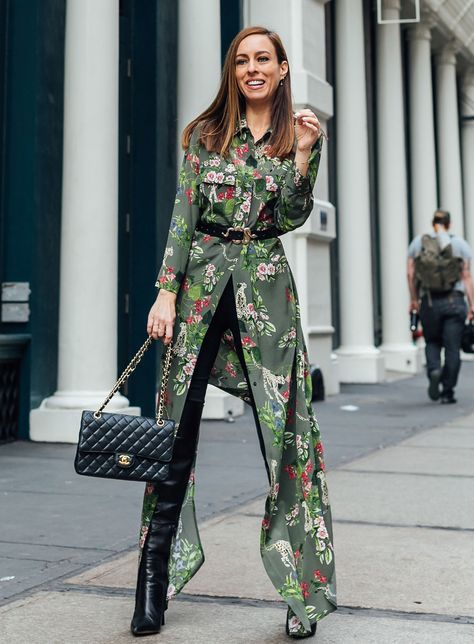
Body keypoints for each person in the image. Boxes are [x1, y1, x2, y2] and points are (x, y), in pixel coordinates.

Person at [131, 26, 336, 639]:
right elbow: (183, 214)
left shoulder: (293, 136)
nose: (252, 69)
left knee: (288, 438)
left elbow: (295, 214)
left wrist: (302, 154)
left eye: (263, 60)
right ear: (233, 70)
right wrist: (166, 291)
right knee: (175, 435)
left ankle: (301, 595)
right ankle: (151, 583)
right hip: (198, 293)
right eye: (243, 60)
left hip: (266, 294)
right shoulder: (204, 135)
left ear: (280, 68)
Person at [407, 210, 474, 403]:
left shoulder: (419, 243)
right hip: (455, 301)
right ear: (449, 224)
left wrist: (413, 299)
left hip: (429, 302)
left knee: (432, 342)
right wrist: (472, 305)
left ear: (433, 223)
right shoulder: (459, 244)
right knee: (453, 348)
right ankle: (447, 392)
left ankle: (434, 370)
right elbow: (466, 276)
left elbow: (410, 274)